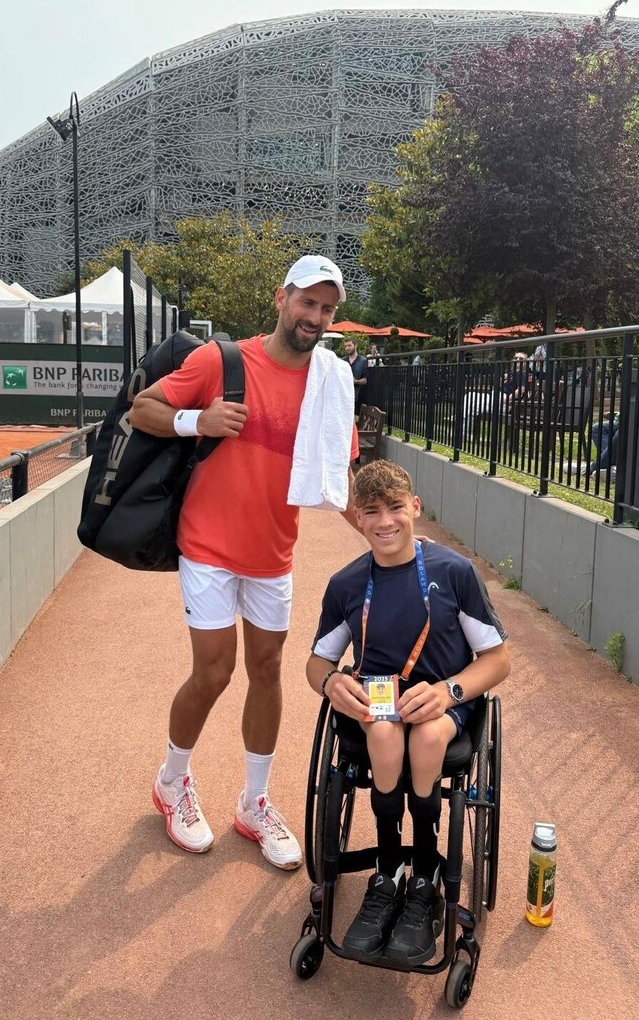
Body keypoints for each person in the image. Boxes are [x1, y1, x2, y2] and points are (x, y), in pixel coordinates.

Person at [129, 254, 360, 870]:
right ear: (282, 299)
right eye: (307, 302)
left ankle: (254, 803)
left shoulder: (331, 383)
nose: (316, 316)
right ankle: (171, 782)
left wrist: (394, 542)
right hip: (207, 545)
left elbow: (340, 478)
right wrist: (196, 419)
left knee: (267, 668)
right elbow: (142, 407)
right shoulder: (221, 360)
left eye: (327, 308)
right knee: (213, 671)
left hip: (273, 552)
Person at [306, 460, 510, 964]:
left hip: (441, 698)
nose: (385, 521)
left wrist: (450, 691)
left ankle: (424, 875)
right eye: (371, 511)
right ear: (357, 517)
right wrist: (331, 683)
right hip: (379, 700)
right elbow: (317, 663)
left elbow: (498, 659)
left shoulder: (454, 572)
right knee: (382, 732)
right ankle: (388, 872)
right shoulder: (346, 584)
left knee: (428, 736)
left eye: (395, 507)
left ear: (415, 507)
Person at [343, 338, 369, 416]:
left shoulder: (363, 361)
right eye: (345, 346)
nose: (347, 348)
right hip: (344, 396)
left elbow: (365, 380)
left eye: (349, 345)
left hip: (357, 396)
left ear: (356, 345)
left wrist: (355, 381)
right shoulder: (342, 361)